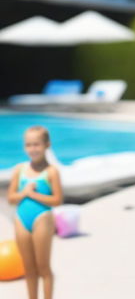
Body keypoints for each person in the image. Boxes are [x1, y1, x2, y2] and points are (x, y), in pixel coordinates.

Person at [7, 125, 63, 299]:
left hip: (42, 219)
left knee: (43, 267)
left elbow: (57, 200)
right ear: (25, 146)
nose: (32, 149)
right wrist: (24, 192)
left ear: (47, 145)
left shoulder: (51, 171)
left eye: (37, 144)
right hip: (21, 219)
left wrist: (33, 194)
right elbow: (11, 198)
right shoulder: (19, 170)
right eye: (29, 145)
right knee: (28, 268)